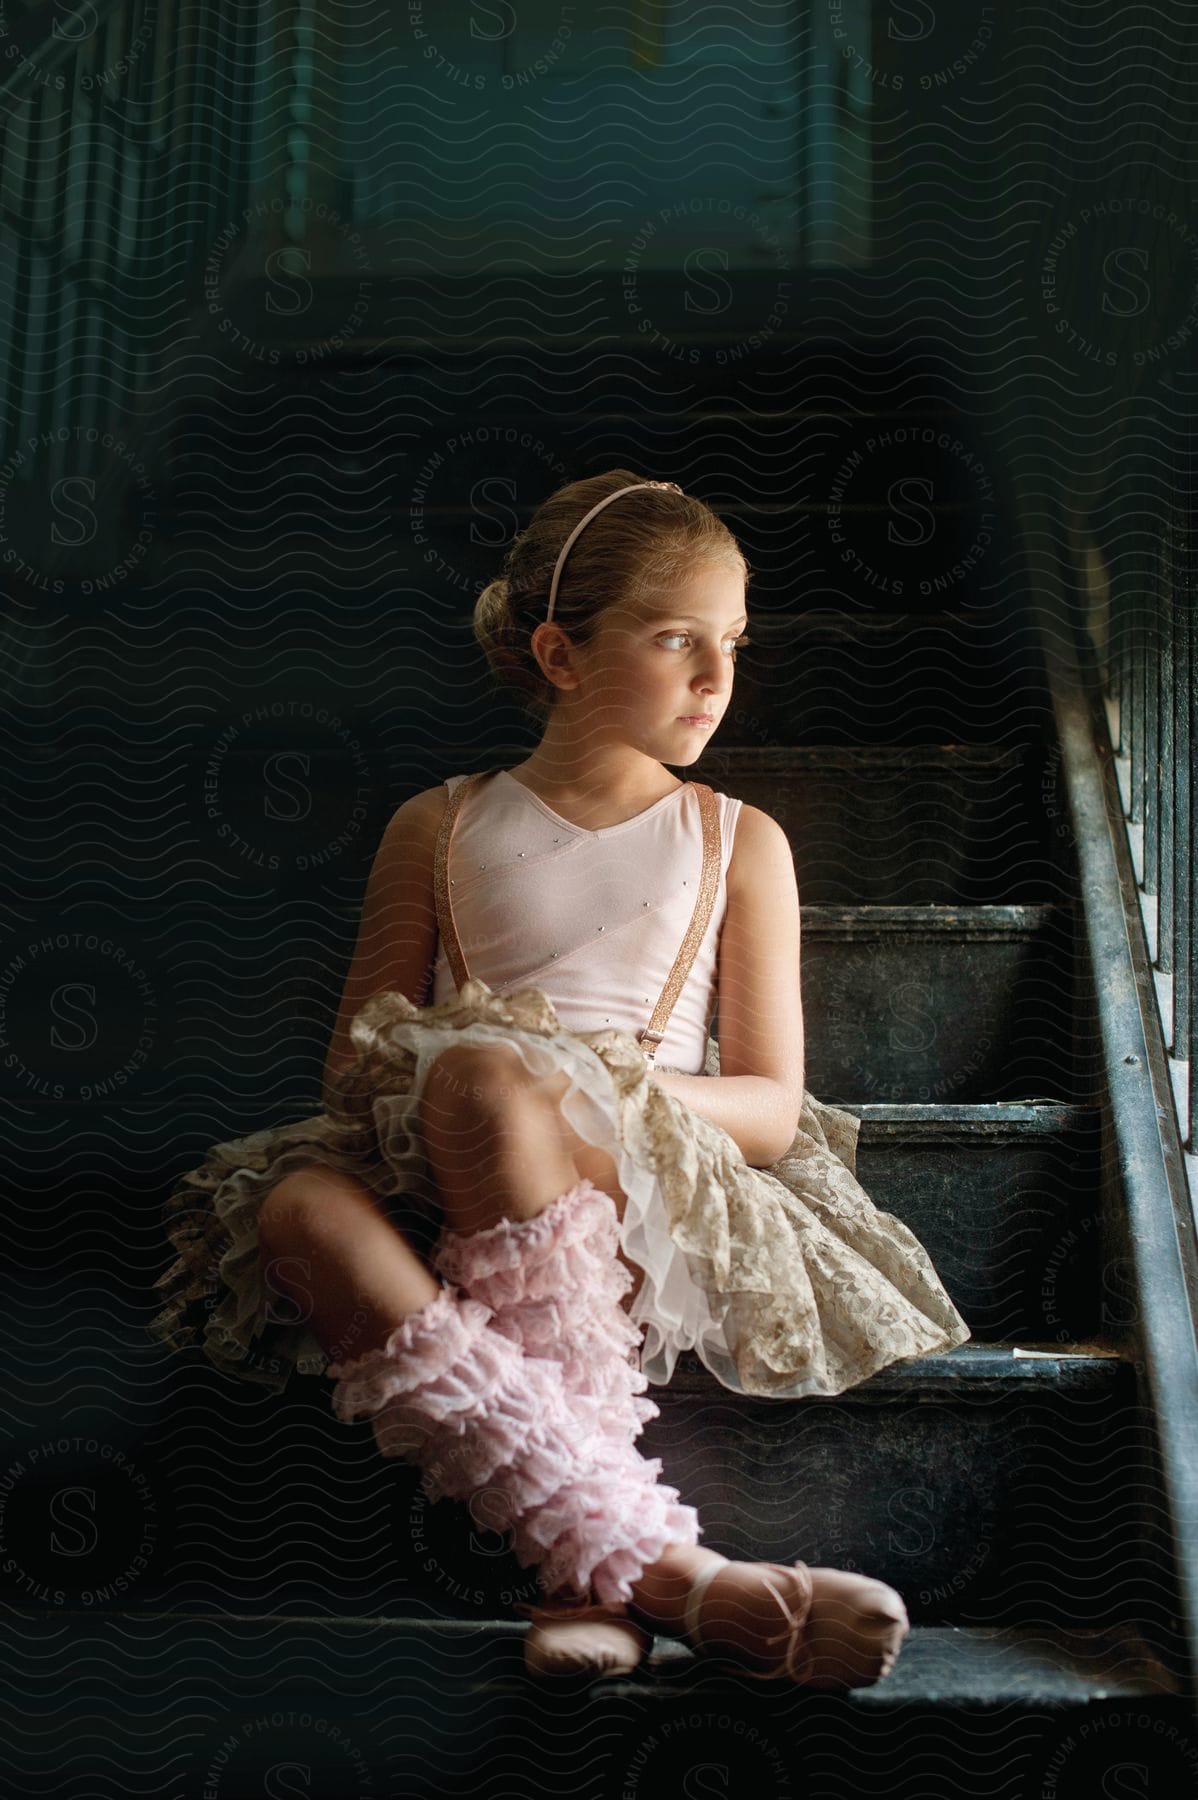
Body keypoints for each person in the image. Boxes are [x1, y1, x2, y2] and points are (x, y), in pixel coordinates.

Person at [148, 469, 971, 1687]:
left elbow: (767, 1106)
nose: (716, 676)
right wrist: (492, 1083)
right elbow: (350, 1074)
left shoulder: (735, 839)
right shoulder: (440, 824)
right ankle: (666, 1573)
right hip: (446, 1152)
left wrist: (585, 1090)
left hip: (643, 1186)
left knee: (495, 1082)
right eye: (676, 637)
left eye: (733, 642)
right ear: (560, 653)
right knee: (296, 1209)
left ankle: (578, 1580)